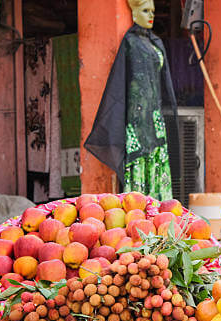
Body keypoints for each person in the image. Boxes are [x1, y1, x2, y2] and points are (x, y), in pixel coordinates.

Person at [84, 0, 179, 201]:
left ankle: (160, 213)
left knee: (158, 161)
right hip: (137, 120)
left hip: (155, 117)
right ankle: (138, 215)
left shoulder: (155, 43)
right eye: (145, 11)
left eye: (152, 11)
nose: (150, 15)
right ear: (134, 13)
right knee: (139, 163)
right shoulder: (130, 43)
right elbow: (121, 82)